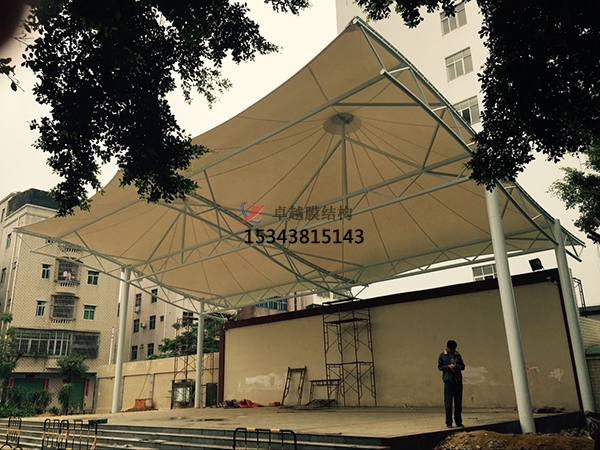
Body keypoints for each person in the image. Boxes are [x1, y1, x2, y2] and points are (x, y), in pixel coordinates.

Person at [438, 339, 465, 428]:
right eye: (451, 350)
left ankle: (458, 421)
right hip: (448, 381)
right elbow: (440, 367)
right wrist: (448, 367)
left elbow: (463, 366)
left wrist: (456, 366)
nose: (452, 351)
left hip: (457, 381)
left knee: (458, 402)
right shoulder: (443, 355)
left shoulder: (457, 355)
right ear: (448, 348)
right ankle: (449, 422)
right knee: (448, 403)